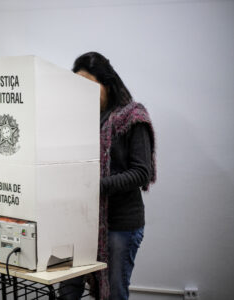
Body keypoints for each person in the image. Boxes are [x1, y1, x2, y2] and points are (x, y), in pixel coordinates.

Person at [58, 52, 156, 300]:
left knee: (113, 294)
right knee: (68, 291)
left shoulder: (133, 116)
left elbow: (141, 173)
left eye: (90, 85)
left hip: (120, 226)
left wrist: (94, 187)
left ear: (107, 83)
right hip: (81, 222)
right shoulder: (79, 119)